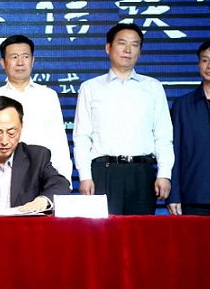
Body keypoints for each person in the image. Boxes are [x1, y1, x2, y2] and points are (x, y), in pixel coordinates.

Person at [73, 22, 174, 215]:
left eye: (134, 45)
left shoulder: (152, 87)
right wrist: (85, 176)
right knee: (104, 231)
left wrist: (164, 174)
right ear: (108, 48)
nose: (128, 50)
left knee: (141, 232)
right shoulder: (90, 88)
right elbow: (82, 137)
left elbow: (163, 135)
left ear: (140, 52)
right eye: (122, 43)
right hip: (104, 172)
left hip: (142, 173)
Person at [0, 35, 73, 184]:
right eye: (14, 57)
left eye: (25, 56)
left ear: (33, 60)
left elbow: (59, 141)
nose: (20, 62)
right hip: (4, 177)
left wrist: (64, 180)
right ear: (3, 62)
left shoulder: (48, 96)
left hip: (44, 175)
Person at [167, 39, 210, 216]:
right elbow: (174, 151)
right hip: (193, 196)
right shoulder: (182, 105)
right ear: (199, 64)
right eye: (205, 60)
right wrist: (173, 195)